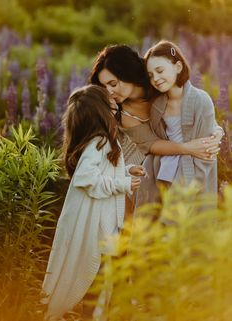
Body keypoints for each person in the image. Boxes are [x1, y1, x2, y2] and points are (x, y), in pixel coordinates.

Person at [42, 85, 144, 320]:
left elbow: (106, 171)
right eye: (108, 101)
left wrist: (127, 171)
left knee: (102, 283)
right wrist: (123, 185)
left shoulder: (103, 141)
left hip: (107, 228)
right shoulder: (99, 142)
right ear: (101, 111)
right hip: (101, 231)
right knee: (95, 284)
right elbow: (87, 178)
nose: (114, 102)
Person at [89, 45, 222, 203]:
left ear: (127, 73)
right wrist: (188, 148)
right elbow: (152, 144)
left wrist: (216, 132)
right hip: (141, 159)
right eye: (104, 87)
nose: (109, 92)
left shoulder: (157, 81)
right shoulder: (123, 113)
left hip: (175, 155)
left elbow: (193, 108)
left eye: (113, 83)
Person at [145, 40, 219, 193]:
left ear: (178, 67)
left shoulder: (201, 100)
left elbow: (206, 151)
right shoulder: (156, 105)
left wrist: (191, 188)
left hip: (193, 174)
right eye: (150, 75)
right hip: (162, 171)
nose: (155, 79)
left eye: (160, 71)